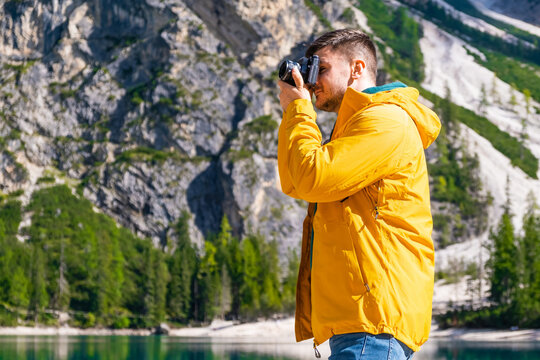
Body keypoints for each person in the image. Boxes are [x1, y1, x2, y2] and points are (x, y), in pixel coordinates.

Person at [277, 29, 441, 359]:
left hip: (372, 321)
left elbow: (312, 177)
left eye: (320, 69)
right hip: (360, 321)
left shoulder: (385, 121)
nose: (312, 82)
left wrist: (299, 110)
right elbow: (296, 182)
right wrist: (296, 110)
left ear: (357, 67)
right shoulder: (356, 126)